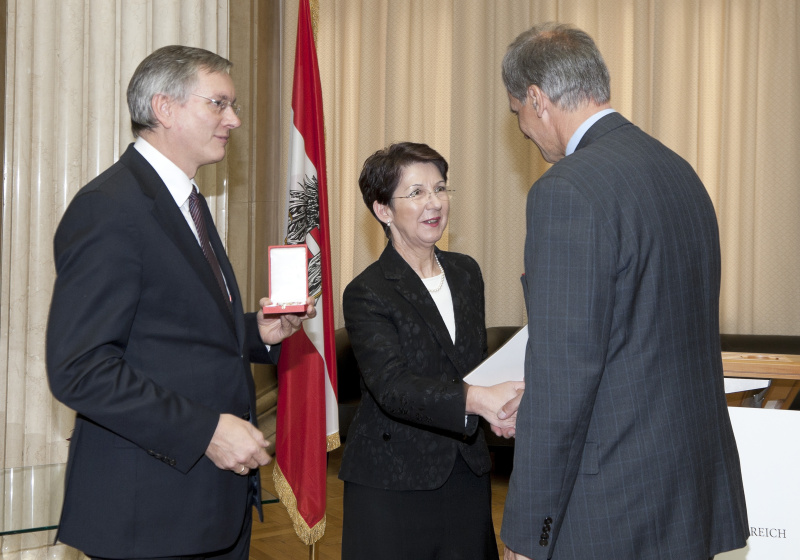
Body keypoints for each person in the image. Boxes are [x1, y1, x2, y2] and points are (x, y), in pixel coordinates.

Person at [45, 45, 315, 560]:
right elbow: (79, 368)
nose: (233, 120)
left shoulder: (184, 199)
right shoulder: (109, 209)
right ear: (165, 108)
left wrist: (257, 331)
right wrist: (207, 430)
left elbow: (169, 329)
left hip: (208, 506)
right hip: (149, 513)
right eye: (219, 104)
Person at [498, 23, 749, 560]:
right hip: (687, 489)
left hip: (609, 504)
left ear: (538, 99)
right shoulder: (679, 172)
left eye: (517, 111)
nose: (521, 127)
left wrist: (528, 529)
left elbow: (565, 378)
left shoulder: (565, 191)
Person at [339, 142, 523, 559]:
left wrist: (504, 405)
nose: (434, 203)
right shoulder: (368, 291)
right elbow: (392, 386)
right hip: (392, 478)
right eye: (417, 192)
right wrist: (478, 401)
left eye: (440, 189)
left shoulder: (466, 272)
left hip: (465, 468)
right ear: (383, 210)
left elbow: (472, 365)